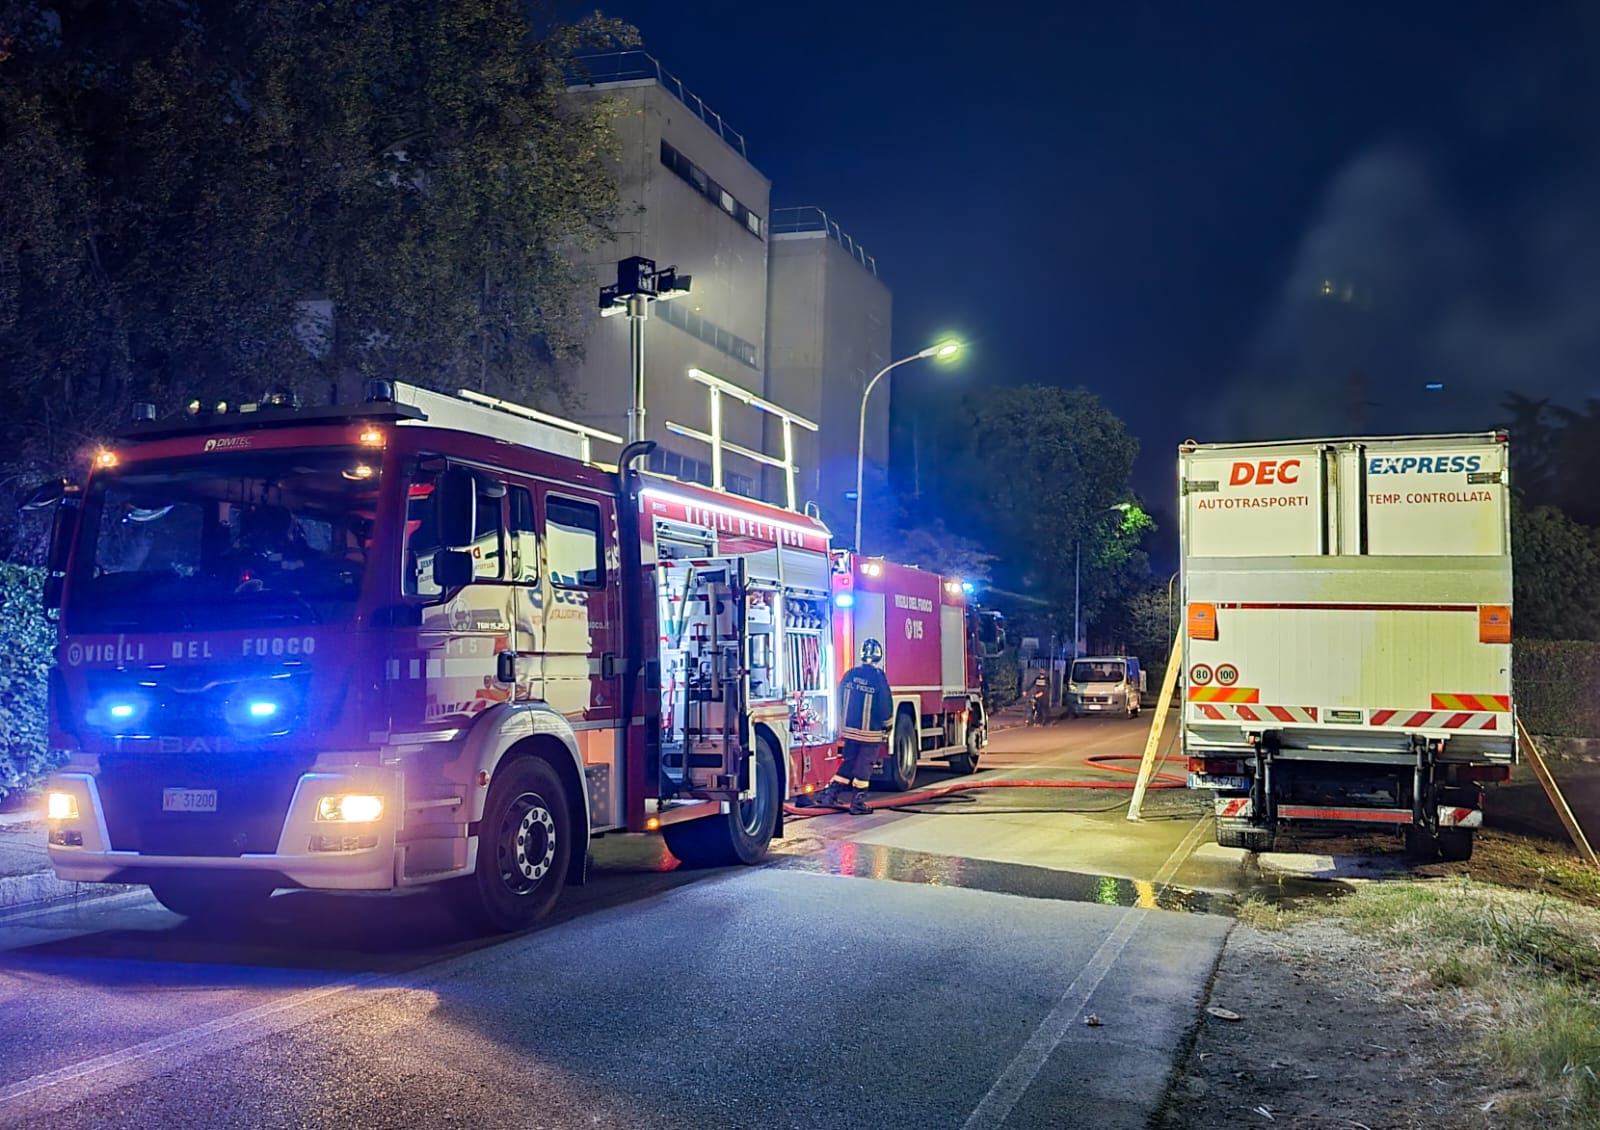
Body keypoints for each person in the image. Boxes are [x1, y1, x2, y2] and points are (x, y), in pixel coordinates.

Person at [811, 638, 893, 815]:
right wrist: (887, 726)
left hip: (850, 731)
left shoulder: (850, 674)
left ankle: (830, 795)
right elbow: (885, 706)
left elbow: (839, 698)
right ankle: (858, 802)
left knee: (848, 763)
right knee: (865, 765)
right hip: (870, 733)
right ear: (878, 656)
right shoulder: (878, 678)